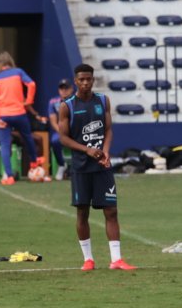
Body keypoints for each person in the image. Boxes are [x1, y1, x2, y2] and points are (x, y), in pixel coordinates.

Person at [56, 64, 136, 271]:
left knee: (111, 211)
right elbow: (63, 138)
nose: (85, 83)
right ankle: (88, 259)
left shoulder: (102, 101)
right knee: (82, 212)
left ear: (93, 80)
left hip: (102, 166)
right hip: (81, 167)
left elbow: (108, 130)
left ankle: (116, 260)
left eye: (88, 79)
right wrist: (87, 150)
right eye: (81, 79)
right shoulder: (67, 106)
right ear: (75, 81)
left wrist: (106, 151)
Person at [0, 52, 41, 186]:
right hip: (19, 113)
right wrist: (28, 101)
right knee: (28, 138)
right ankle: (34, 165)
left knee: (5, 145)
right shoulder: (18, 72)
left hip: (3, 116)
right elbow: (32, 84)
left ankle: (9, 176)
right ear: (10, 61)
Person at [47, 79, 72, 180]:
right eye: (62, 88)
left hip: (76, 131)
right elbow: (53, 120)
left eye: (66, 88)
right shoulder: (53, 102)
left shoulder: (77, 100)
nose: (64, 90)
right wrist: (62, 132)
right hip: (61, 131)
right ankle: (62, 165)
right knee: (54, 141)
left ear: (71, 89)